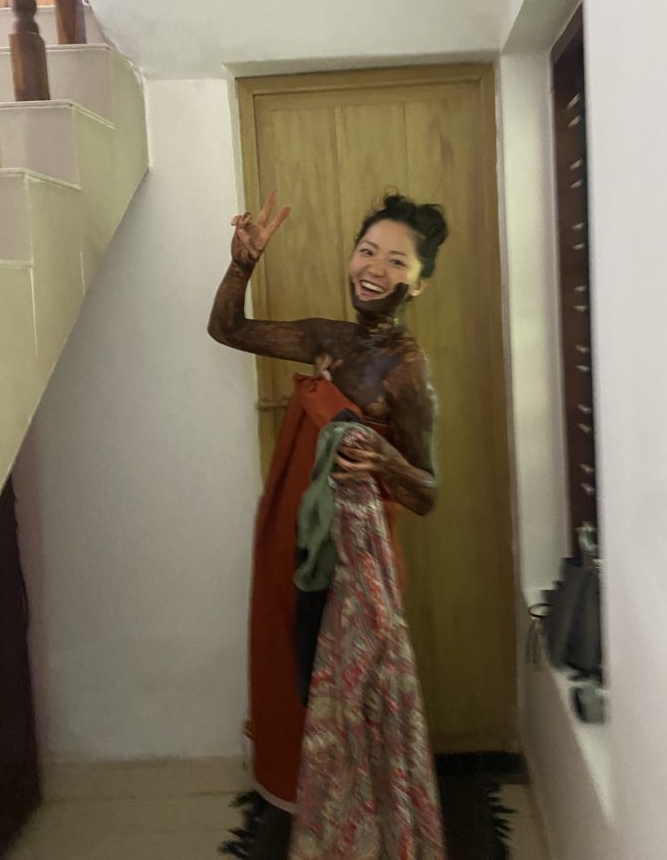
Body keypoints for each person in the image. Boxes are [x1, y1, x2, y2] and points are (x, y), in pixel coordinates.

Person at [208, 191, 448, 853]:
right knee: (298, 681)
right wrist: (242, 264)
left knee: (355, 694)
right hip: (294, 544)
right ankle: (319, 817)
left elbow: (427, 492)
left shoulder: (408, 373)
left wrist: (386, 460)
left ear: (417, 283)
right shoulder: (329, 338)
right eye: (368, 250)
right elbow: (228, 329)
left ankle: (365, 831)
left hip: (359, 562)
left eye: (396, 261)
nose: (374, 268)